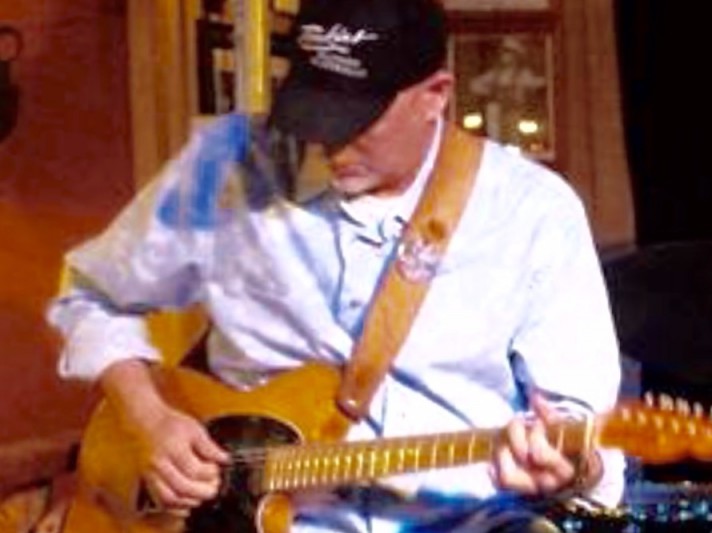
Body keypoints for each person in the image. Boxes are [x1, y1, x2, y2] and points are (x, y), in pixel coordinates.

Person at [46, 0, 625, 531]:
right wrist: (148, 419)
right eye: (313, 115)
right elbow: (89, 296)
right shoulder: (231, 168)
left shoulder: (533, 211)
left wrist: (573, 466)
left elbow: (582, 432)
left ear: (435, 95)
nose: (332, 147)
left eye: (358, 122)